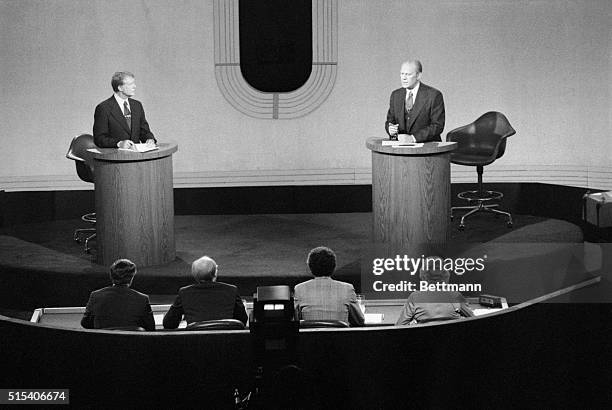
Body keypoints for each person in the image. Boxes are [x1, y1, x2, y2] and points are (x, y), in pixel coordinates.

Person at [162, 256, 248, 329]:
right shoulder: (231, 290)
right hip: (227, 344)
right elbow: (242, 320)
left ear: (194, 275)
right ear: (215, 274)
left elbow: (169, 324)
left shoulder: (185, 293)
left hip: (195, 345)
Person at [294, 246, 365, 326]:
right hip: (340, 338)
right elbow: (360, 321)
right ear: (333, 267)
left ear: (310, 267)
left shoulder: (299, 289)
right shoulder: (347, 289)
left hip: (309, 338)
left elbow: (295, 321)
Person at [395, 256, 473, 326]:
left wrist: (413, 324)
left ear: (424, 276)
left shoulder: (415, 297)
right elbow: (474, 319)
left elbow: (399, 326)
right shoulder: (456, 296)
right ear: (445, 276)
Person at [81, 258, 155, 330]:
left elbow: (85, 323)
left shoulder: (95, 296)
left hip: (102, 341)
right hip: (132, 342)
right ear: (132, 278)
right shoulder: (142, 299)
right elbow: (150, 327)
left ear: (111, 276)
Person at [385, 59, 445, 142]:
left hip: (428, 148)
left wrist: (413, 138)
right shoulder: (395, 95)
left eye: (408, 74)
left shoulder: (434, 95)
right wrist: (390, 129)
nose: (404, 78)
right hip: (401, 148)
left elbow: (437, 126)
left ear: (418, 76)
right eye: (402, 74)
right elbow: (390, 121)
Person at [93, 71, 156, 149]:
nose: (134, 86)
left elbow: (144, 131)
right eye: (130, 84)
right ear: (120, 88)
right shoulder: (103, 108)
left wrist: (149, 139)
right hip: (115, 157)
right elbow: (99, 138)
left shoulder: (137, 106)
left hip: (137, 158)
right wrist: (119, 143)